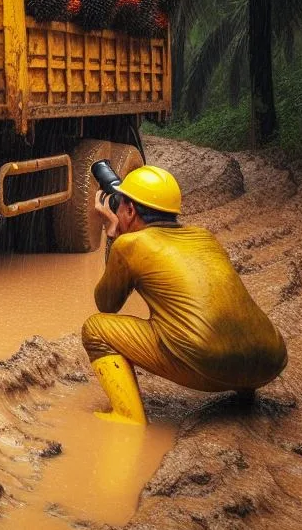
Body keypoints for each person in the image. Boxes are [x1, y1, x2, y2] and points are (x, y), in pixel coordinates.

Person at [82, 164, 287, 426]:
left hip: (208, 366)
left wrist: (113, 234)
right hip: (270, 361)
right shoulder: (204, 237)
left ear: (130, 210)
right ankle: (245, 389)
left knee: (95, 329)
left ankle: (127, 417)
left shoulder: (130, 244)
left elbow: (107, 304)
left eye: (120, 206)